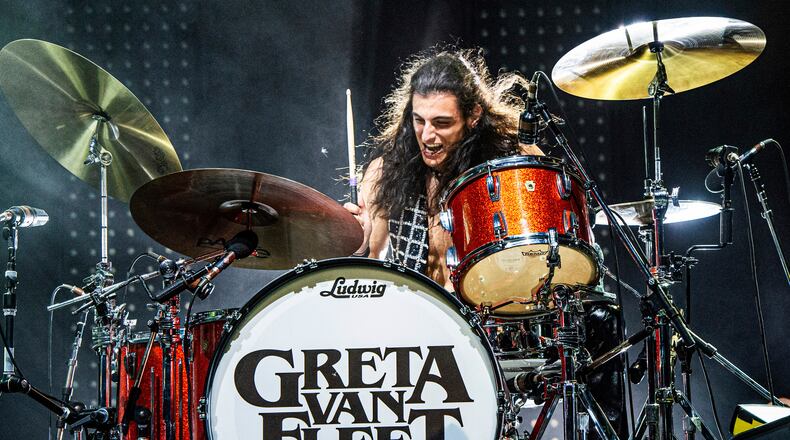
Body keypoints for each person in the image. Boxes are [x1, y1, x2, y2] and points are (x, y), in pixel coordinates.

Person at [344, 48, 626, 438]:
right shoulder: (384, 170)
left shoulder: (514, 155)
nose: (427, 135)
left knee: (601, 317)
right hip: (415, 329)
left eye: (442, 123)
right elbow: (368, 254)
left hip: (498, 323)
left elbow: (548, 246)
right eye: (419, 120)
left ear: (474, 116)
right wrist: (348, 231)